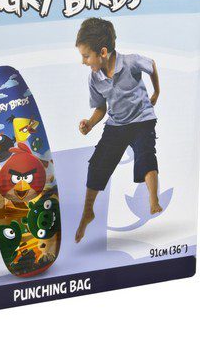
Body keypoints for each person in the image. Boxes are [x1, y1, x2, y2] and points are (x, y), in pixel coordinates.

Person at [75, 18, 162, 244]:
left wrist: (156, 93)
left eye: (86, 56)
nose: (83, 61)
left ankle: (153, 200)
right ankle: (88, 211)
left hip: (142, 119)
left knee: (145, 154)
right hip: (116, 124)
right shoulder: (94, 78)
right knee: (97, 163)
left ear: (103, 52)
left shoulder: (131, 62)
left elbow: (152, 65)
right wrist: (90, 124)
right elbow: (100, 108)